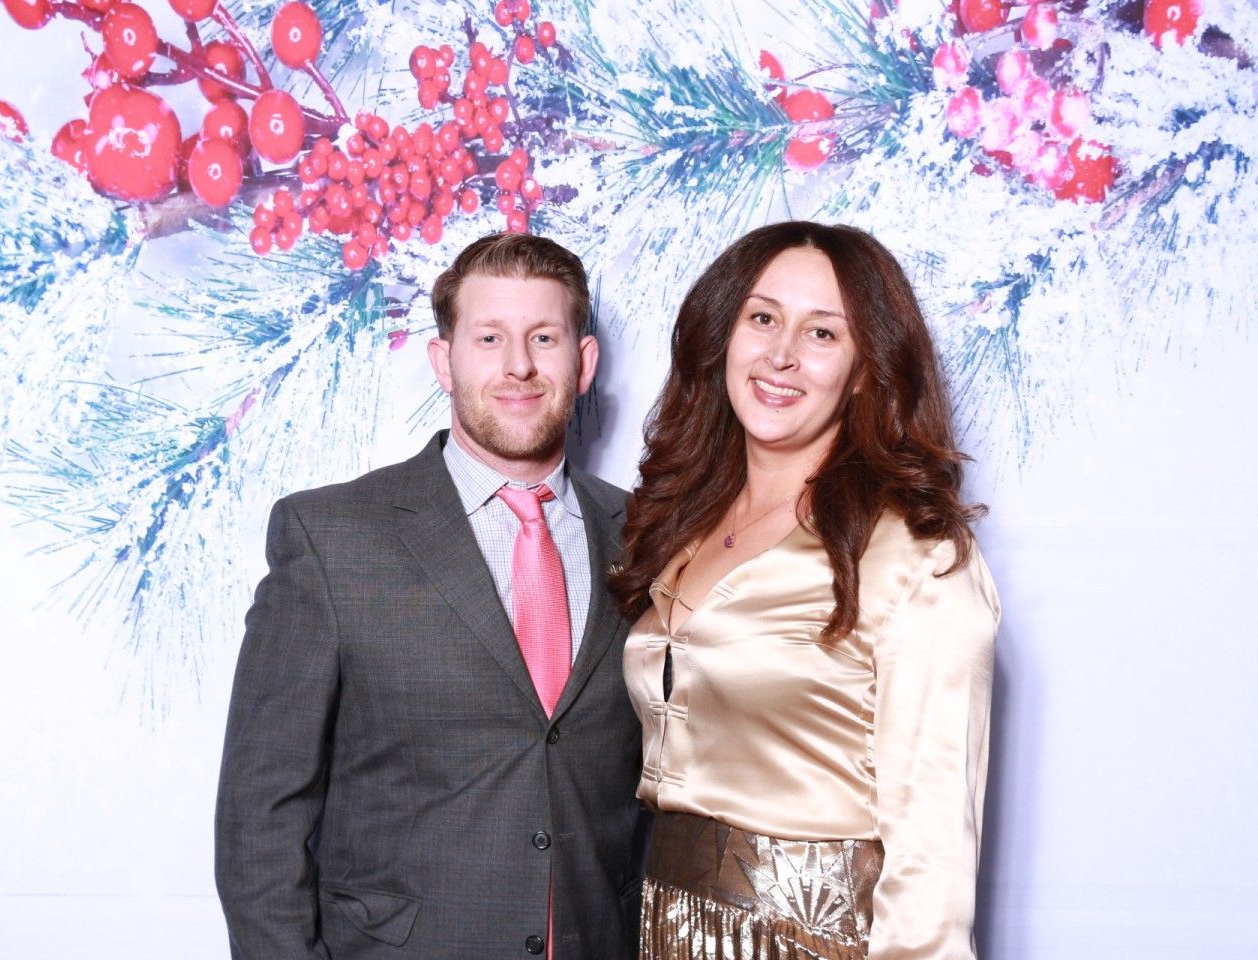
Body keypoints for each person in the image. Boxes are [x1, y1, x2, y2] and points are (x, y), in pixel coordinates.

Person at [215, 232, 647, 959]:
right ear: (444, 362)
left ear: (584, 364)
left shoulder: (647, 537)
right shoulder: (331, 538)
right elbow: (261, 816)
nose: (518, 366)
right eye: (489, 338)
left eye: (544, 337)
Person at [611, 221, 1000, 959]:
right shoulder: (681, 523)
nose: (780, 355)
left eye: (823, 333)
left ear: (863, 370)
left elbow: (934, 846)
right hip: (669, 926)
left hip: (812, 939)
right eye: (762, 318)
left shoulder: (915, 555)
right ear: (724, 334)